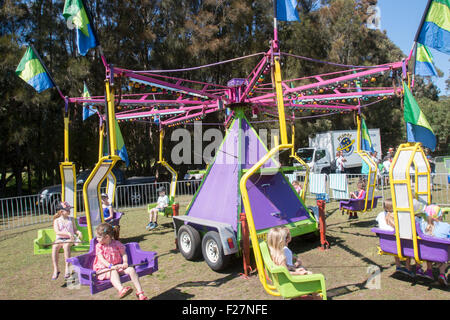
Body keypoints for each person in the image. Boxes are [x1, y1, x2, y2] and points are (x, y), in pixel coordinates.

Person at [93, 223, 149, 300]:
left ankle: (140, 293)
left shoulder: (116, 243)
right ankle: (121, 289)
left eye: (99, 237)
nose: (97, 239)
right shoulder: (99, 246)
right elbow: (101, 259)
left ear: (107, 237)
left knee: (131, 270)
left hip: (117, 267)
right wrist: (110, 266)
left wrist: (125, 262)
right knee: (113, 271)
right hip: (103, 270)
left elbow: (124, 253)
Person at [267, 227, 322, 300]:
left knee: (303, 269)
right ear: (280, 242)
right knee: (313, 278)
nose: (285, 240)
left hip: (281, 281)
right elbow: (286, 273)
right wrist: (299, 273)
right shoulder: (281, 257)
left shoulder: (273, 252)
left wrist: (294, 268)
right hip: (289, 282)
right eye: (284, 238)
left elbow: (284, 269)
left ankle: (300, 297)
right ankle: (317, 298)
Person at [375, 199, 414, 277]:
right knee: (408, 243)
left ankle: (398, 265)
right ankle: (408, 267)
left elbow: (377, 222)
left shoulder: (380, 215)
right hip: (398, 242)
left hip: (386, 243)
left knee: (395, 243)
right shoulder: (398, 216)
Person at [415, 204, 449, 286]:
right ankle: (442, 274)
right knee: (443, 253)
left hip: (426, 253)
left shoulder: (422, 226)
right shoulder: (446, 226)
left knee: (430, 248)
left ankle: (429, 270)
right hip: (441, 254)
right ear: (440, 216)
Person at [51, 202, 83, 280]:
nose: (69, 211)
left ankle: (67, 268)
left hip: (69, 239)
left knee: (66, 246)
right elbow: (57, 231)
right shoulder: (57, 221)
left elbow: (75, 229)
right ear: (61, 212)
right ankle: (56, 269)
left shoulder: (71, 219)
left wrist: (78, 232)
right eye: (67, 209)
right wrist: (67, 233)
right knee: (55, 247)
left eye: (69, 209)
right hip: (60, 238)